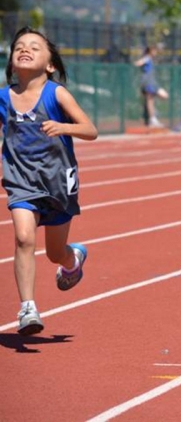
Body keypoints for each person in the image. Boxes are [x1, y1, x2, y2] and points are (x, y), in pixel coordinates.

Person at [0, 26, 98, 336]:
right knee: (24, 238)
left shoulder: (56, 93)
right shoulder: (3, 97)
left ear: (50, 64)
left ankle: (73, 259)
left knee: (55, 252)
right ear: (12, 62)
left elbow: (90, 130)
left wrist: (63, 127)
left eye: (34, 47)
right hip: (20, 179)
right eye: (19, 47)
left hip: (57, 181)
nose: (25, 49)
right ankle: (28, 306)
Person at [134, 46, 169, 128]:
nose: (155, 53)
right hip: (147, 82)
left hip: (153, 82)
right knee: (150, 100)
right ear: (150, 51)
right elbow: (138, 63)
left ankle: (154, 115)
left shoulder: (151, 59)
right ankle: (152, 119)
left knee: (164, 95)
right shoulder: (147, 58)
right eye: (154, 51)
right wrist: (140, 64)